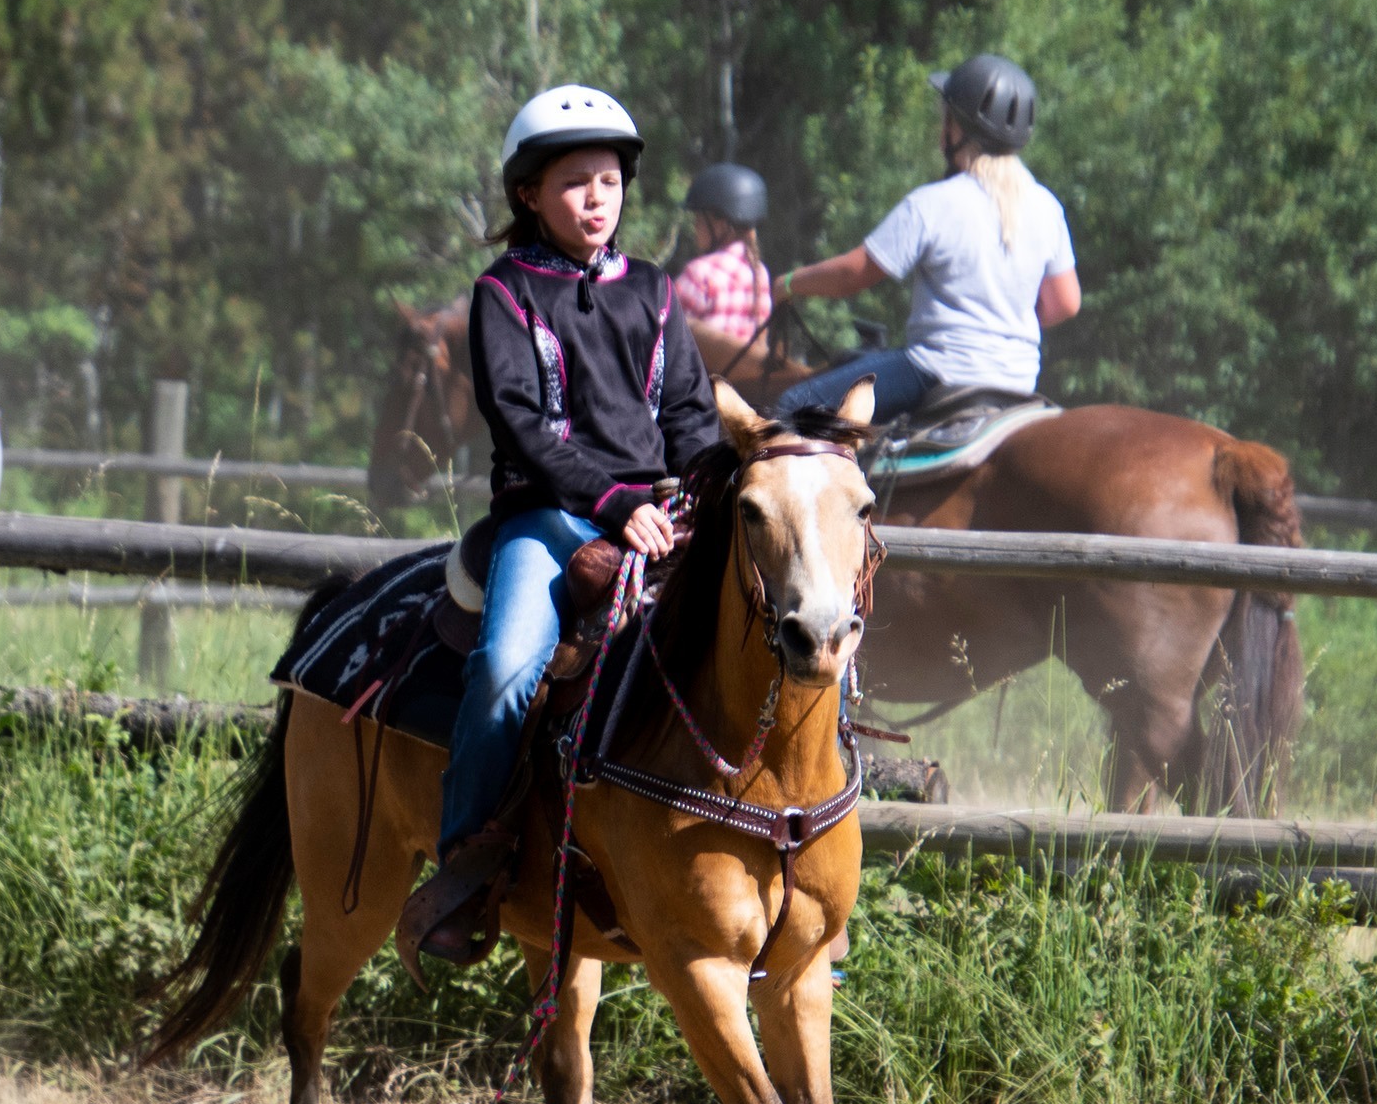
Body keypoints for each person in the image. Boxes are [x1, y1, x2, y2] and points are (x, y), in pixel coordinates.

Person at [403, 85, 720, 964]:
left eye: (610, 181)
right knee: (507, 669)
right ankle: (466, 862)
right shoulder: (502, 294)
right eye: (575, 181)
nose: (596, 198)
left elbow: (691, 415)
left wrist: (703, 491)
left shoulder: (655, 292)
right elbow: (520, 424)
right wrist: (617, 501)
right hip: (548, 518)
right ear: (528, 196)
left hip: (660, 519)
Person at [772, 53, 1082, 426]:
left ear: (958, 128)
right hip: (1018, 381)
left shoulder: (934, 203)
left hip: (937, 370)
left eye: (944, 117)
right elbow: (1065, 302)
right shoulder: (1046, 206)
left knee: (792, 405)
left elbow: (853, 275)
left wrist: (789, 283)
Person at [674, 162, 773, 345]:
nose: (695, 226)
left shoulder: (699, 273)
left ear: (721, 224)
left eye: (699, 218)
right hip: (743, 373)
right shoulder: (760, 273)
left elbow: (664, 336)